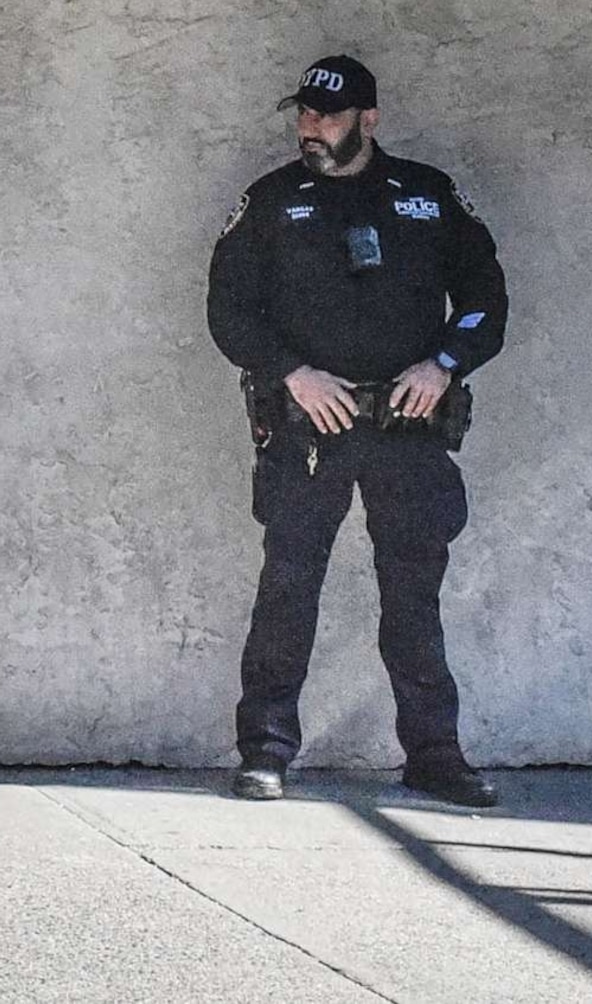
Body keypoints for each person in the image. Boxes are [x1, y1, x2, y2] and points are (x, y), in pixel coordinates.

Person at [205, 54, 510, 810]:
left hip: (408, 428)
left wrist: (442, 363)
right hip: (311, 427)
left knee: (414, 594)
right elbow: (228, 309)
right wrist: (291, 373)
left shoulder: (428, 197)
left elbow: (485, 301)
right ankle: (266, 751)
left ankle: (435, 755)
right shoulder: (274, 202)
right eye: (303, 114)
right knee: (288, 588)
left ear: (367, 120)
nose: (311, 128)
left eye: (328, 116)